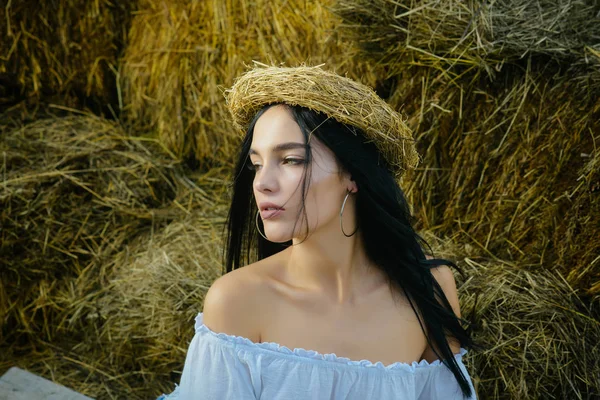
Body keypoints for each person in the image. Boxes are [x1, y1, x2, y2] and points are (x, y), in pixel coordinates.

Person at [158, 65, 477, 399]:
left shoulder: (428, 289)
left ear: (353, 173)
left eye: (291, 160)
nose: (262, 184)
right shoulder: (236, 301)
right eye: (257, 164)